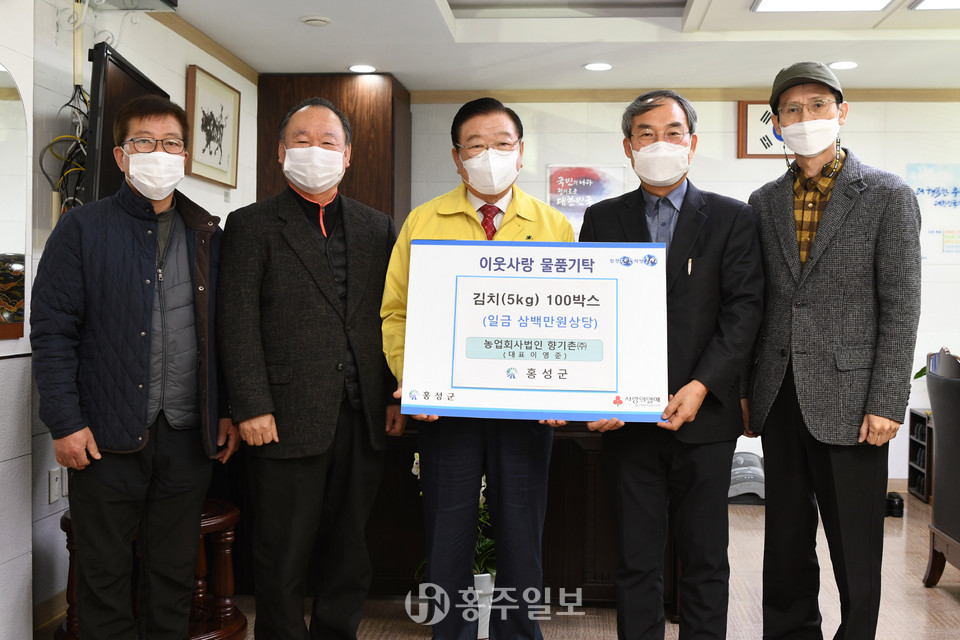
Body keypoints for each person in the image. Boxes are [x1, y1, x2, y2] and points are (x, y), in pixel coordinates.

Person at [31, 94, 239, 640]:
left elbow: (225, 332)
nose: (159, 153)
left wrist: (225, 409)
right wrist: (64, 423)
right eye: (144, 142)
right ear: (121, 156)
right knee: (104, 575)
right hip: (104, 433)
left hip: (187, 434)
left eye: (171, 143)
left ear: (185, 155)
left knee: (172, 574)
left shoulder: (208, 235)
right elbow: (52, 331)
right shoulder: (82, 229)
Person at [380, 97, 574, 640]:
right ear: (457, 156)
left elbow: (571, 317)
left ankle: (520, 634)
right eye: (476, 145)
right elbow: (397, 312)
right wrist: (415, 378)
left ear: (521, 151)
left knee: (521, 538)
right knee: (447, 537)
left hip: (526, 410)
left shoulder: (553, 224)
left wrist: (565, 391)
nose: (491, 155)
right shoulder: (423, 221)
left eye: (502, 144)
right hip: (447, 412)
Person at [577, 89, 764, 640]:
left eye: (672, 132)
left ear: (693, 142)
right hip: (627, 421)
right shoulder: (602, 218)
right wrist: (599, 392)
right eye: (646, 134)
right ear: (628, 147)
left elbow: (743, 310)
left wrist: (701, 385)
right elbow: (590, 311)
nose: (660, 143)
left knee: (705, 558)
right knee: (635, 559)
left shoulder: (732, 217)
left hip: (704, 417)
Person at [217, 96, 405, 640]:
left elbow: (392, 315)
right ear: (280, 152)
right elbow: (236, 320)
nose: (314, 151)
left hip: (362, 414)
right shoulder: (250, 224)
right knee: (282, 551)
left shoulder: (377, 227)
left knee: (351, 550)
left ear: (347, 155)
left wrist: (393, 394)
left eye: (328, 142)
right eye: (302, 141)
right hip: (282, 416)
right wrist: (250, 405)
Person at [747, 61, 922, 640]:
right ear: (777, 123)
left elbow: (901, 305)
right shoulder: (764, 200)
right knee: (785, 541)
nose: (806, 118)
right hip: (780, 394)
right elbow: (758, 303)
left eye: (818, 105)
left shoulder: (888, 196)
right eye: (792, 110)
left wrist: (887, 401)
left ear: (841, 112)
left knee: (855, 544)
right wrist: (748, 391)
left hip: (854, 401)